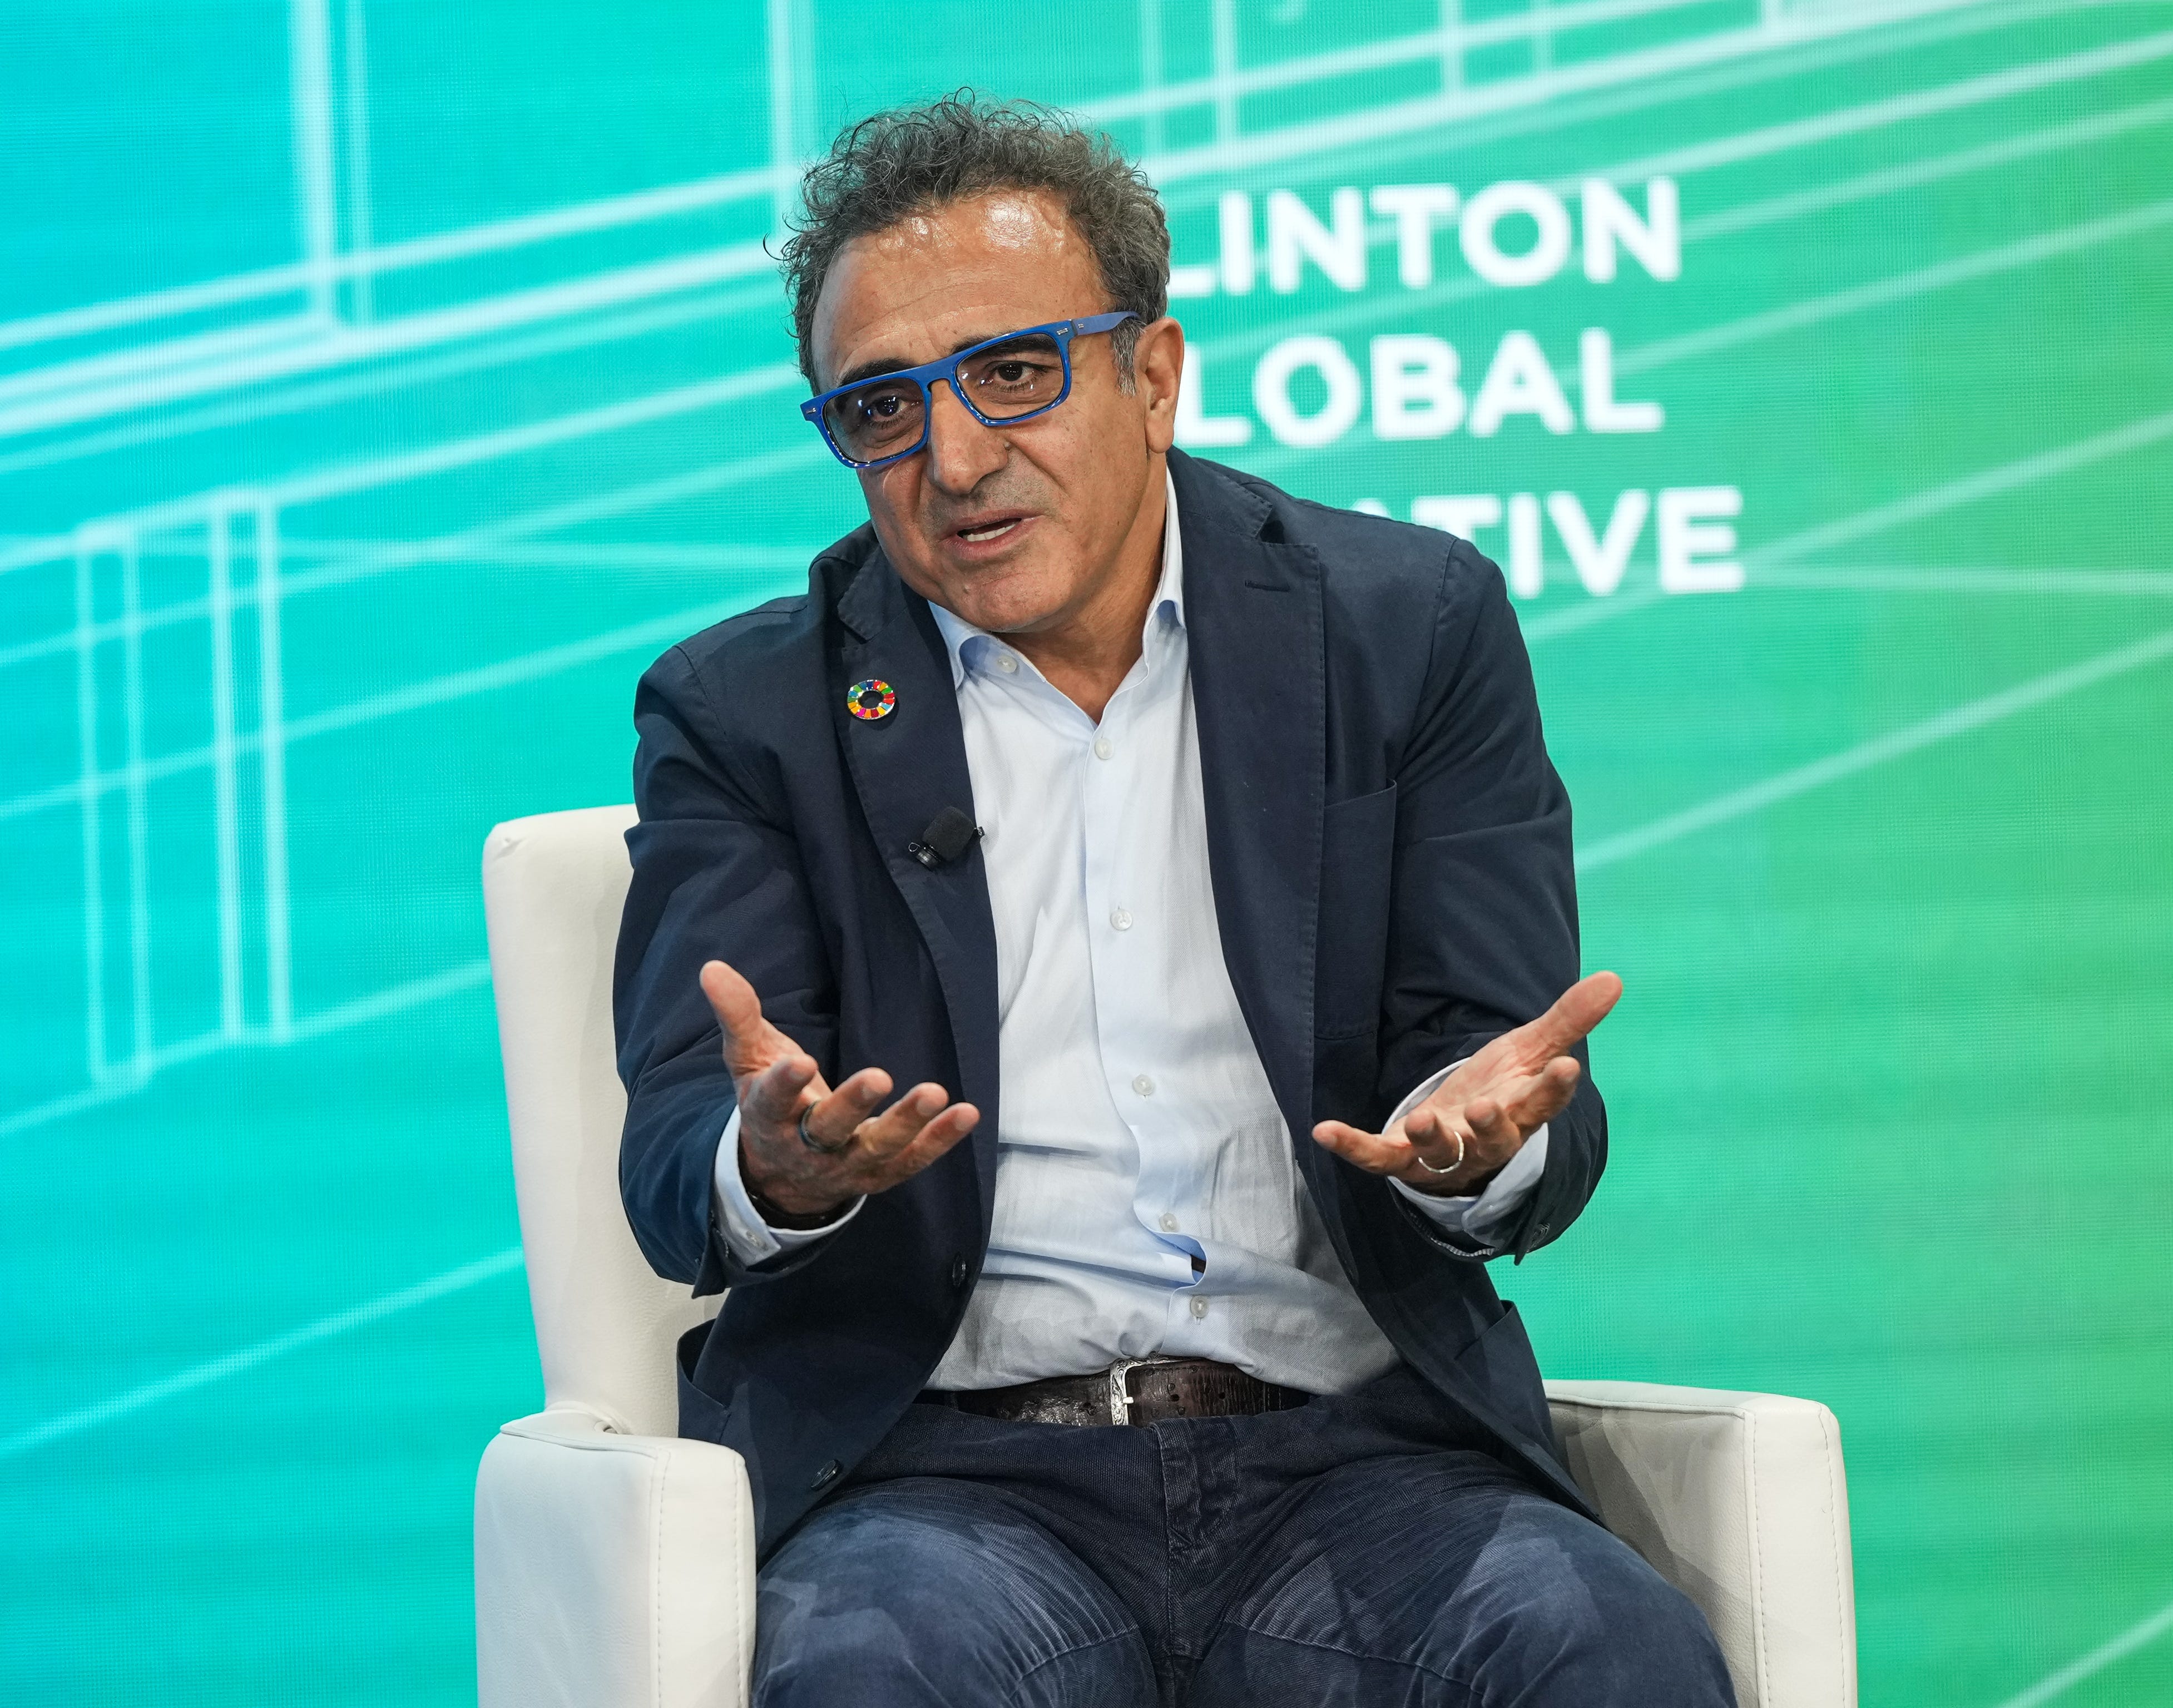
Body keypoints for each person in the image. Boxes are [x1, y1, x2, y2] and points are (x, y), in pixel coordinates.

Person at [614, 94, 1733, 1707]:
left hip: (1363, 1465)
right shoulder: (747, 715)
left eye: (1014, 372)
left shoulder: (1404, 628)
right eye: (879, 408)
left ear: (1151, 373)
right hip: (939, 1491)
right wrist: (776, 1173)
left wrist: (1475, 1149)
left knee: (1605, 1656)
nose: (953, 459)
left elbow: (1498, 1066)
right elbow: (676, 1152)